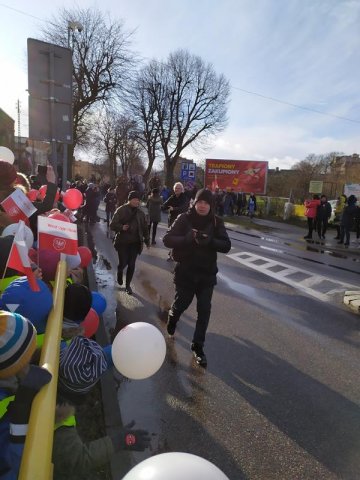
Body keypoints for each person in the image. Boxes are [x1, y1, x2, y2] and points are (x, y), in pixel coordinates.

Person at [163, 189, 231, 367]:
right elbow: (167, 239)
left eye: (206, 203)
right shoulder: (184, 218)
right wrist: (186, 239)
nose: (203, 205)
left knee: (204, 311)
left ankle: (198, 346)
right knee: (181, 305)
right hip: (186, 272)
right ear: (194, 203)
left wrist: (211, 242)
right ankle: (172, 317)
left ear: (211, 205)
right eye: (200, 202)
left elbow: (226, 245)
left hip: (207, 275)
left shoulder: (216, 222)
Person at [110, 191, 150, 295]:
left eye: (138, 200)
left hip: (135, 243)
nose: (137, 201)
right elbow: (112, 225)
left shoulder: (141, 213)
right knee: (123, 263)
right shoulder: (121, 210)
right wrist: (121, 227)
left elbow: (145, 228)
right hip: (122, 242)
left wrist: (147, 240)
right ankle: (119, 271)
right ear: (129, 199)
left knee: (131, 264)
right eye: (135, 199)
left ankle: (128, 286)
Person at [162, 182, 189, 261]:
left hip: (181, 221)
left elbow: (184, 208)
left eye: (179, 188)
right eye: (176, 188)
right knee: (171, 237)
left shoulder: (184, 198)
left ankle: (174, 253)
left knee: (178, 237)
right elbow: (165, 205)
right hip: (172, 220)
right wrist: (162, 206)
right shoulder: (172, 197)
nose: (177, 190)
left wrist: (174, 209)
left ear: (182, 190)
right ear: (174, 189)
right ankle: (171, 253)